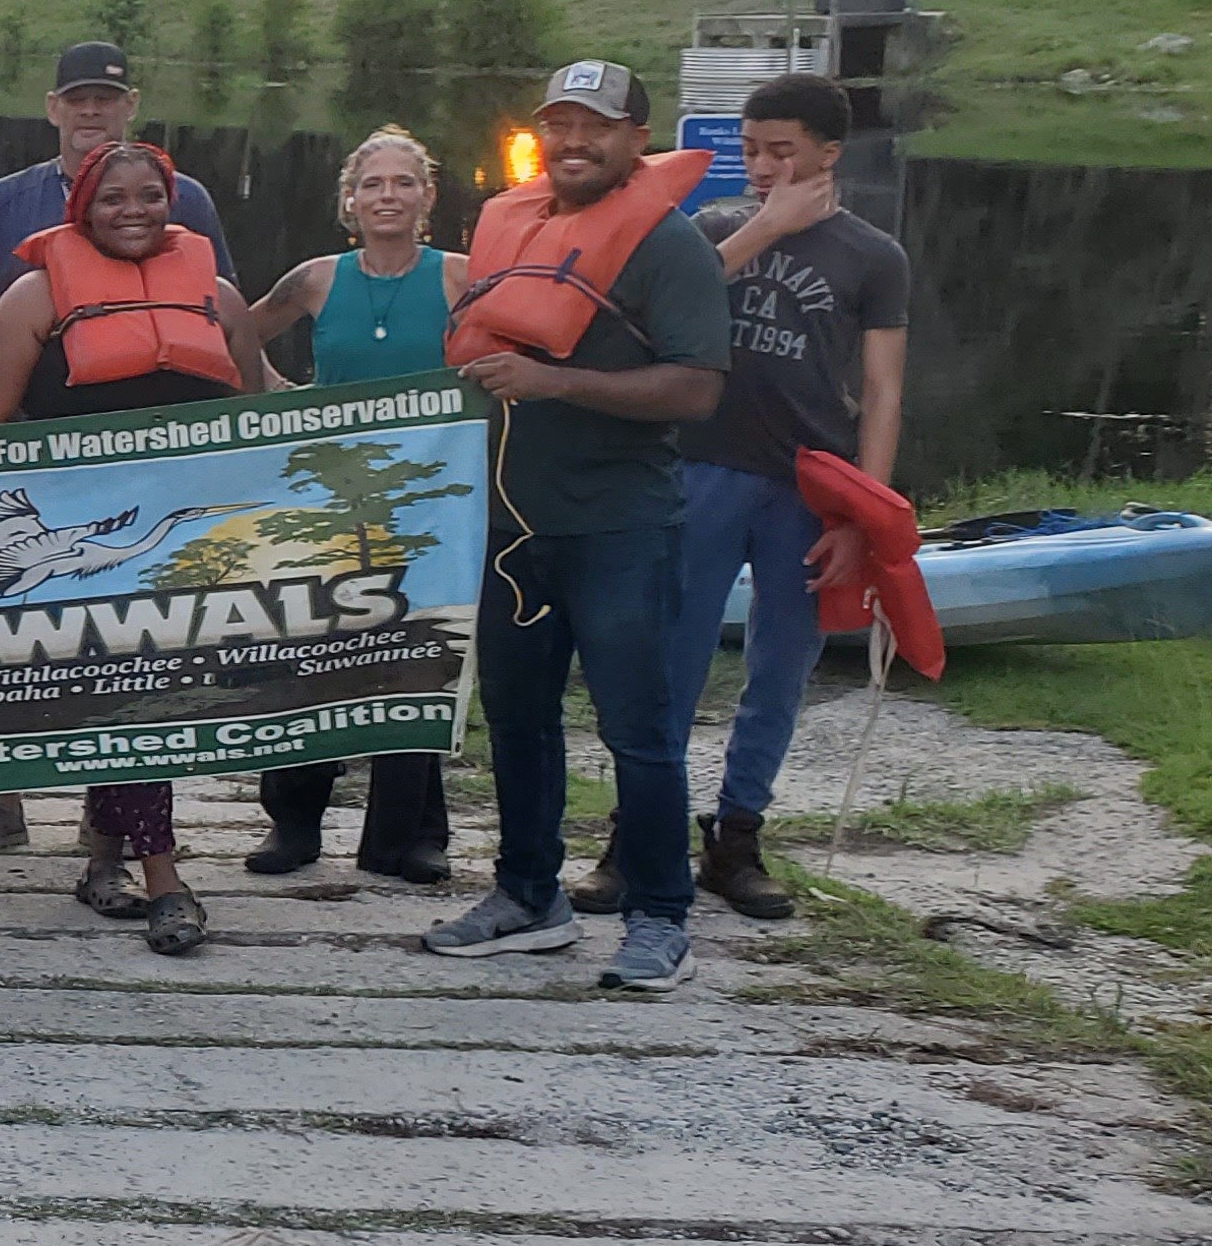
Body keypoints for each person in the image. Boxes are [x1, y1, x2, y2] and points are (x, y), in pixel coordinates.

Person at [421, 60, 729, 994]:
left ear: (639, 139)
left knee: (637, 731)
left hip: (620, 528)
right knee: (517, 721)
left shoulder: (671, 247)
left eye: (596, 126)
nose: (574, 142)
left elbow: (697, 388)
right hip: (514, 528)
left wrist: (558, 381)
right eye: (558, 124)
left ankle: (660, 915)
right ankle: (528, 896)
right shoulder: (513, 226)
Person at [0, 40, 237, 857]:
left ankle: (113, 836)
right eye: (77, 98)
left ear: (129, 104)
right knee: (18, 642)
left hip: (152, 481)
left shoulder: (189, 200)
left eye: (106, 97)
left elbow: (220, 329)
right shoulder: (5, 200)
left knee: (127, 666)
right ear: (54, 107)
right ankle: (3, 799)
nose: (91, 110)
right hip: (43, 479)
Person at [0, 143, 270, 956]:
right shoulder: (32, 298)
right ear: (81, 210)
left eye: (150, 197)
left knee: (137, 704)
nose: (132, 211)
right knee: (132, 700)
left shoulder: (219, 297)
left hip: (188, 549)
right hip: (80, 549)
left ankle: (105, 860)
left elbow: (267, 417)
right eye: (112, 199)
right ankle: (166, 880)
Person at [649, 72, 907, 924]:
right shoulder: (712, 228)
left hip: (803, 484)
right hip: (702, 470)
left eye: (780, 151)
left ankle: (737, 835)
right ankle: (639, 836)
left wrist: (861, 515)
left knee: (779, 666)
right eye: (751, 149)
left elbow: (881, 390)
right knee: (671, 663)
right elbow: (658, 312)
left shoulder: (873, 255)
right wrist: (767, 225)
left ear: (829, 155)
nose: (760, 165)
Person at [236, 129, 468, 883]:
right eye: (374, 185)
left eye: (404, 183)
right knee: (311, 656)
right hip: (327, 497)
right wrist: (279, 397)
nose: (388, 197)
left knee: (415, 660)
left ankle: (409, 834)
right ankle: (294, 822)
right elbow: (235, 330)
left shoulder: (462, 278)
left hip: (429, 498)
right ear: (350, 200)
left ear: (427, 197)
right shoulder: (314, 280)